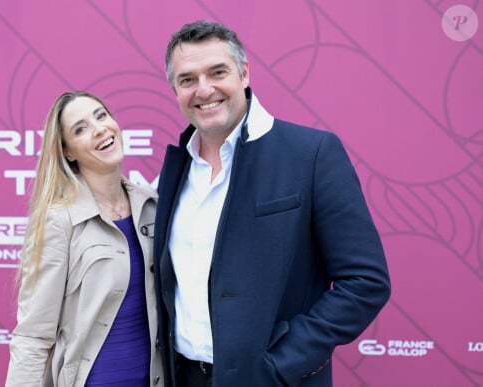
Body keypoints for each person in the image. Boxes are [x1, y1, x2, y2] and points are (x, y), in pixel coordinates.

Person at [153, 20, 391, 387]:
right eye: (187, 80)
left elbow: (365, 281)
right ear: (176, 90)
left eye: (218, 72)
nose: (204, 89)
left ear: (244, 73)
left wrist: (281, 364)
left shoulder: (311, 154)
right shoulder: (173, 174)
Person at [6, 91, 163, 386]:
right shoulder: (59, 221)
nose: (100, 129)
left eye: (101, 116)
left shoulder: (153, 206)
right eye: (81, 129)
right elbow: (33, 336)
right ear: (68, 152)